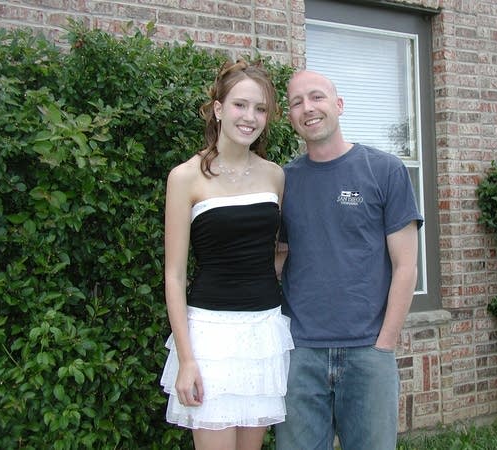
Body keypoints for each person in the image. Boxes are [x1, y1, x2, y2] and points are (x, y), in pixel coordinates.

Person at [274, 70, 424, 450]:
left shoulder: (384, 170)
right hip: (300, 354)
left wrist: (384, 344)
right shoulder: (283, 182)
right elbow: (278, 257)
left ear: (338, 105)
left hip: (368, 351)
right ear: (290, 117)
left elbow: (406, 266)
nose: (308, 108)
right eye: (296, 102)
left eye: (317, 97)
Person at [160, 59, 293, 450]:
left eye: (261, 108)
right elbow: (174, 275)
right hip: (210, 337)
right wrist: (187, 359)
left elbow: (273, 251)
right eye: (240, 105)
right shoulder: (186, 177)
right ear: (219, 109)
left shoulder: (274, 175)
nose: (249, 117)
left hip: (263, 333)